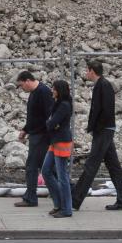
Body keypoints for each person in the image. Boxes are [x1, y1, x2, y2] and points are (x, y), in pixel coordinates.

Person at [72, 59, 122, 211]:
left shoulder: (103, 85)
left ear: (92, 71)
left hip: (103, 130)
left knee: (91, 165)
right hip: (105, 129)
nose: (86, 73)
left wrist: (95, 128)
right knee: (114, 167)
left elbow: (104, 110)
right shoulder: (102, 85)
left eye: (87, 70)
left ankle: (74, 200)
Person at [13, 70, 52, 208]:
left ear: (28, 81)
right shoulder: (34, 93)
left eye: (22, 85)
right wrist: (25, 129)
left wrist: (47, 136)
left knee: (31, 167)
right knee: (48, 168)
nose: (22, 88)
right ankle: (70, 191)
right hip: (36, 134)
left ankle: (30, 198)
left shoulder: (43, 92)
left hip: (41, 136)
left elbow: (49, 116)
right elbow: (34, 116)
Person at [41, 79, 74, 218]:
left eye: (54, 89)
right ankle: (58, 203)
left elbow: (51, 123)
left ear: (59, 91)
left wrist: (52, 124)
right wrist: (52, 124)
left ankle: (66, 209)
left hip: (61, 142)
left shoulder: (64, 105)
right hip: (55, 141)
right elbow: (52, 123)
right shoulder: (58, 104)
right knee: (46, 171)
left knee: (62, 177)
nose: (52, 91)